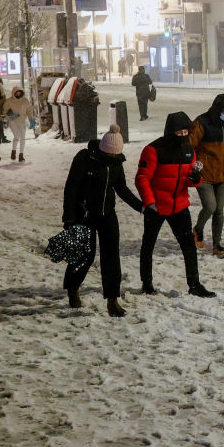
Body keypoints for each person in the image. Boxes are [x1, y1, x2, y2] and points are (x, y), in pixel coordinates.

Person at [62, 125, 143, 316]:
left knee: (111, 257)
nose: (113, 156)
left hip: (107, 214)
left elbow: (122, 188)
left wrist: (141, 207)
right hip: (84, 215)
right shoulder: (84, 159)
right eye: (110, 153)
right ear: (103, 149)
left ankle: (112, 301)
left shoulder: (116, 162)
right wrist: (69, 217)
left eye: (116, 154)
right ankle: (73, 288)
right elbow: (71, 188)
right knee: (84, 256)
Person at [134, 111, 216, 298]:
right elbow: (142, 178)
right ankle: (147, 283)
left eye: (185, 132)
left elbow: (188, 180)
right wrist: (150, 202)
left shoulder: (189, 150)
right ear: (170, 131)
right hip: (156, 206)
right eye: (179, 133)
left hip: (179, 206)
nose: (183, 136)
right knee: (148, 245)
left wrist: (195, 179)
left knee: (189, 246)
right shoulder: (153, 150)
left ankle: (194, 284)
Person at [189, 93, 224, 257]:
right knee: (210, 206)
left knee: (219, 210)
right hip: (204, 175)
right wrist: (193, 168)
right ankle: (198, 229)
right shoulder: (201, 123)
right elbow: (189, 146)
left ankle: (217, 245)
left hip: (223, 174)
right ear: (218, 109)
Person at [3, 85, 34, 162]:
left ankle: (21, 155)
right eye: (17, 93)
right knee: (16, 136)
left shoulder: (25, 101)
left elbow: (29, 110)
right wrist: (10, 116)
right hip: (13, 121)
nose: (18, 94)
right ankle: (13, 151)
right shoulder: (9, 101)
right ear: (13, 93)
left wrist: (31, 119)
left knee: (23, 138)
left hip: (22, 121)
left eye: (20, 92)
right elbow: (5, 111)